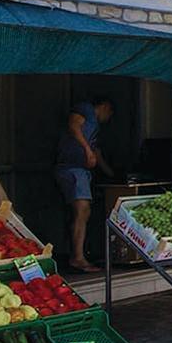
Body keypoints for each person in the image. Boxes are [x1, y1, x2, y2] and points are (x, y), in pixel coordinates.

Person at [56, 96, 114, 272]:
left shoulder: (95, 128)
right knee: (82, 210)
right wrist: (87, 150)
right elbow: (74, 125)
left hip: (82, 171)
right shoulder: (86, 109)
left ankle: (77, 254)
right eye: (110, 112)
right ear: (104, 106)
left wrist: (111, 174)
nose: (108, 117)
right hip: (72, 168)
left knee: (82, 212)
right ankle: (78, 257)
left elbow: (97, 153)